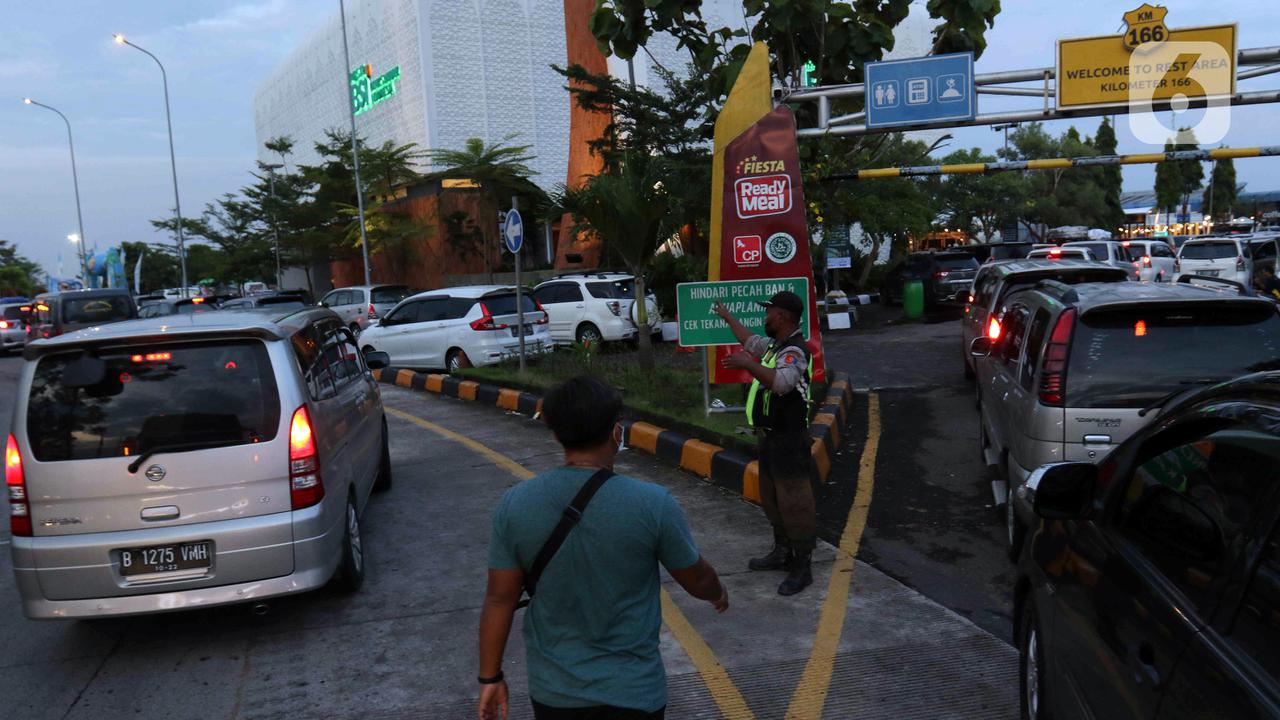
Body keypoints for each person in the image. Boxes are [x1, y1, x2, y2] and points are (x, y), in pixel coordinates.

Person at [478, 376, 729, 720]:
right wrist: (717, 591)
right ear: (616, 432)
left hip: (555, 694)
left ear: (555, 434)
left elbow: (499, 599)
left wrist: (490, 678)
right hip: (635, 693)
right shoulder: (652, 503)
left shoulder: (515, 504)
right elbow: (696, 579)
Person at [713, 291, 816, 596]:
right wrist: (728, 317)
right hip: (770, 438)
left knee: (795, 502)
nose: (765, 316)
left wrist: (748, 364)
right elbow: (749, 340)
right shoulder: (776, 345)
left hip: (790, 440)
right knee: (773, 499)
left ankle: (802, 566)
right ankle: (782, 552)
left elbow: (782, 383)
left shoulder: (795, 351)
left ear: (781, 316)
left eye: (769, 311)